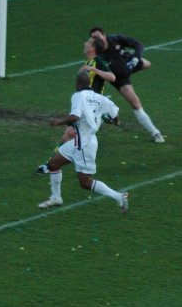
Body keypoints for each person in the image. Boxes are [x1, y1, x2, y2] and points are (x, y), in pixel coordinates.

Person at [36, 71, 129, 213]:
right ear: (89, 83)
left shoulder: (78, 96)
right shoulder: (100, 98)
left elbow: (74, 117)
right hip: (78, 142)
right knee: (53, 164)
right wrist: (113, 121)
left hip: (84, 145)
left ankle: (119, 197)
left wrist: (57, 122)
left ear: (78, 84)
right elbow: (116, 117)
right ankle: (56, 198)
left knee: (85, 182)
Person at [89, 26, 165, 143]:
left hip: (129, 64)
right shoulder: (99, 56)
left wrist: (135, 57)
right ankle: (156, 133)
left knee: (147, 64)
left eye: (97, 36)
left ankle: (128, 62)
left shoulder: (115, 39)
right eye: (93, 38)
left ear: (104, 35)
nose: (95, 39)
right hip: (120, 79)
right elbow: (100, 77)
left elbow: (138, 45)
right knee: (136, 105)